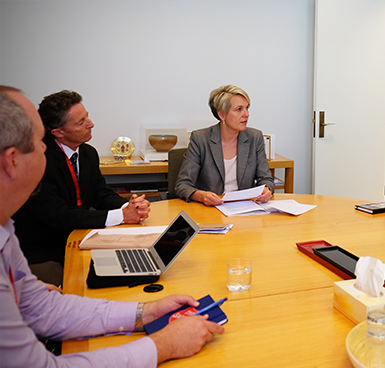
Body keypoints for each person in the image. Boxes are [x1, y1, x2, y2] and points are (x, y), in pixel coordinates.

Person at [0, 86, 225, 366]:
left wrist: (145, 313)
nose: (45, 147)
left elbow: (41, 309)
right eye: (38, 142)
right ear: (11, 161)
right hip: (51, 247)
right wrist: (162, 345)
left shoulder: (5, 232)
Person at [11, 90, 151, 286]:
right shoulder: (38, 160)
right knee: (82, 288)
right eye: (81, 122)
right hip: (44, 251)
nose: (91, 124)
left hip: (82, 238)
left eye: (87, 116)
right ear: (58, 132)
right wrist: (122, 216)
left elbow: (99, 194)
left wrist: (131, 205)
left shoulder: (87, 153)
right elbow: (59, 216)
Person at [175, 85, 274, 206]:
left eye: (247, 108)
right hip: (210, 209)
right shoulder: (200, 139)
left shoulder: (255, 137)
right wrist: (201, 196)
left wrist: (267, 190)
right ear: (222, 115)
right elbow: (182, 185)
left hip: (245, 207)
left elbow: (266, 179)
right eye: (239, 109)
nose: (246, 114)